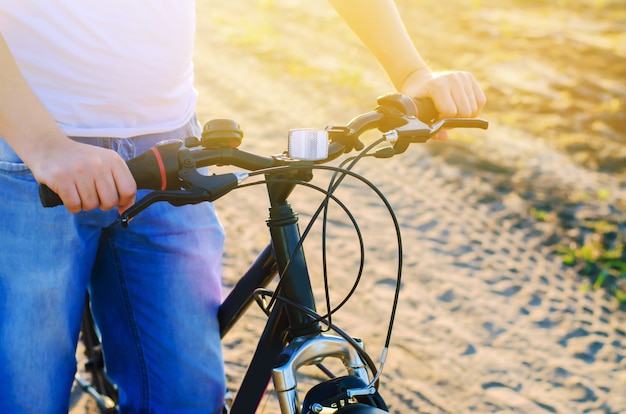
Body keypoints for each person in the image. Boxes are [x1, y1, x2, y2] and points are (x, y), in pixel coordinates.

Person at [0, 1, 485, 413]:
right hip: (30, 158)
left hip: (171, 150)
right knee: (24, 395)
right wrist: (44, 146)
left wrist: (412, 72)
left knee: (188, 395)